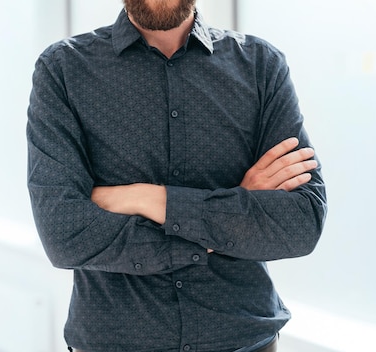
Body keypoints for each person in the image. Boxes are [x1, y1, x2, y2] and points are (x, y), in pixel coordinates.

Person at [26, 0, 327, 351]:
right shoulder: (62, 69)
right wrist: (232, 213)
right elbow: (65, 234)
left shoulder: (261, 66)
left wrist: (149, 198)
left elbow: (300, 223)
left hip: (244, 341)